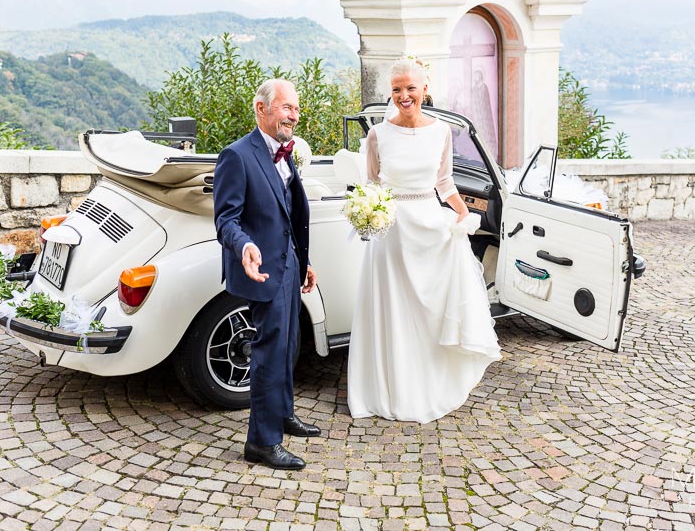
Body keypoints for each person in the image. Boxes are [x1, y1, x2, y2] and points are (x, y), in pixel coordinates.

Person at [347, 58, 502, 423]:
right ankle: (391, 388)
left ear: (424, 89)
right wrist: (367, 210)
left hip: (430, 229)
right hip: (392, 232)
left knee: (429, 313)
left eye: (410, 88)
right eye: (397, 89)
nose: (404, 95)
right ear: (391, 92)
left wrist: (463, 213)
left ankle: (430, 384)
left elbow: (444, 183)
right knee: (394, 311)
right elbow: (372, 186)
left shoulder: (441, 132)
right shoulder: (377, 135)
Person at [213, 79, 320, 470]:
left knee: (289, 346)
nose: (293, 114)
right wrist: (244, 247)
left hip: (288, 264)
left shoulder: (284, 152)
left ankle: (284, 414)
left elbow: (287, 215)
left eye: (296, 108)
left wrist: (302, 259)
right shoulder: (237, 156)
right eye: (286, 107)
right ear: (261, 108)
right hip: (261, 270)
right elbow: (226, 220)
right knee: (268, 353)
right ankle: (261, 441)